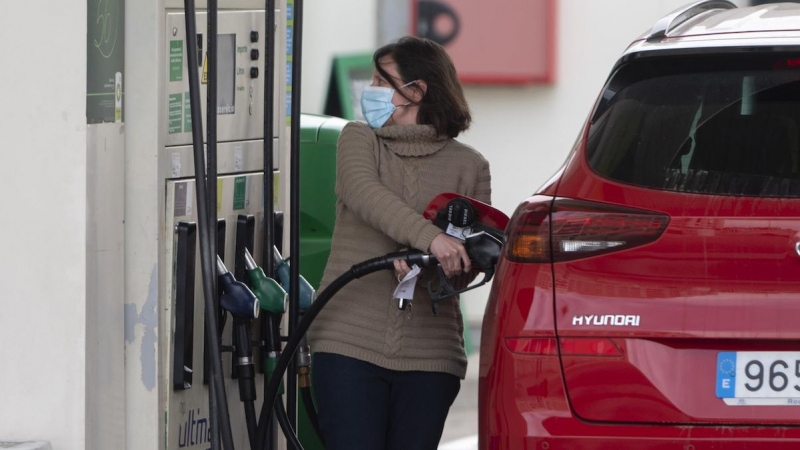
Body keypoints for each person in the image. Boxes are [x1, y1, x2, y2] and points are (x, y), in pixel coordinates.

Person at [309, 35, 491, 450]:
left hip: (431, 354)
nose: (369, 90)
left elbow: (467, 266)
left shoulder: (471, 166)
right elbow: (362, 192)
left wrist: (446, 263)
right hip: (349, 342)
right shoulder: (360, 139)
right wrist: (432, 239)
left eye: (380, 80)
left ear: (416, 90)